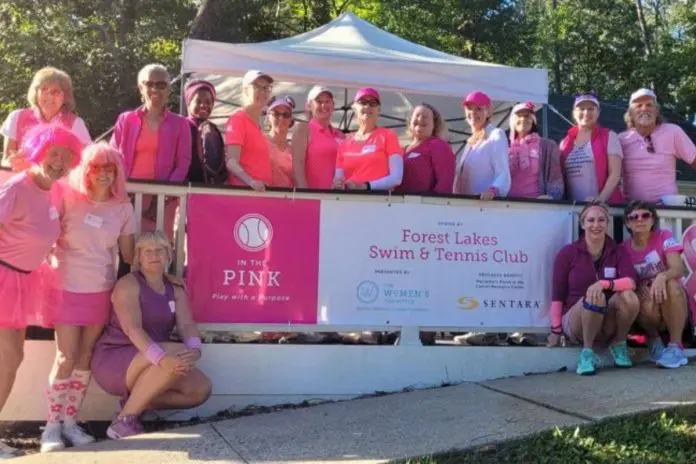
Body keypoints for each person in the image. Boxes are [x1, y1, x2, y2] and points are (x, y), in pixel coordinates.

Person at [39, 143, 135, 453]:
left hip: (101, 289)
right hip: (66, 287)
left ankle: (70, 423)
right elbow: (45, 236)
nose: (104, 174)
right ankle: (51, 427)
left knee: (84, 359)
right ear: (86, 171)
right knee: (65, 357)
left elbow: (129, 255)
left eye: (110, 168)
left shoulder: (123, 207)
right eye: (97, 168)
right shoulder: (68, 198)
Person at [0, 125, 82, 459]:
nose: (59, 161)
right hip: (4, 280)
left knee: (10, 360)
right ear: (38, 152)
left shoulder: (53, 191)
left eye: (66, 155)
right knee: (8, 360)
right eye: (53, 153)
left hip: (25, 281)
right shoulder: (18, 187)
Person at [91, 231, 211, 439]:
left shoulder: (176, 289)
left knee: (200, 389)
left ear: (168, 255)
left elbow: (187, 324)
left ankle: (133, 403)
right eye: (147, 251)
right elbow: (133, 329)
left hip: (157, 356)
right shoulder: (128, 285)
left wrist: (195, 350)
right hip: (117, 357)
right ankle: (125, 420)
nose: (154, 255)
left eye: (160, 250)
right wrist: (161, 359)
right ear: (138, 257)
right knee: (175, 352)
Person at [547, 202, 640, 375]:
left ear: (607, 223)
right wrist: (555, 330)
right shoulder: (568, 253)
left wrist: (605, 284)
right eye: (590, 220)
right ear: (582, 224)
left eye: (601, 220)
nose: (595, 225)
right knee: (595, 296)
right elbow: (557, 294)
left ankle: (619, 344)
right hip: (576, 321)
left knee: (629, 296)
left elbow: (631, 282)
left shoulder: (618, 251)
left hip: (607, 320)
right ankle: (587, 352)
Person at [110, 63, 191, 242]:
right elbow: (113, 156)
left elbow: (183, 162)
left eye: (161, 84)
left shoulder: (181, 124)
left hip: (163, 200)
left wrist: (164, 195)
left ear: (169, 89)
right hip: (127, 196)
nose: (155, 88)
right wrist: (122, 189)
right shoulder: (126, 120)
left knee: (158, 248)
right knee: (126, 248)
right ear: (141, 87)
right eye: (149, 84)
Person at [622, 200, 688, 368]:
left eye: (645, 215)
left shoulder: (664, 236)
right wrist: (638, 287)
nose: (640, 220)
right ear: (627, 223)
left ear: (653, 220)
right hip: (647, 302)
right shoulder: (623, 249)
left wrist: (661, 277)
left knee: (671, 284)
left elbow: (678, 269)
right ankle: (655, 342)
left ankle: (675, 348)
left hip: (672, 299)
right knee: (637, 297)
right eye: (634, 217)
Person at [1, 67, 91, 171]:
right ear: (36, 92)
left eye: (56, 92)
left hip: (58, 185)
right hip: (20, 183)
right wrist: (13, 161)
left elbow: (86, 163)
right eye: (44, 89)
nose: (49, 96)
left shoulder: (76, 124)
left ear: (65, 96)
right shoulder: (16, 117)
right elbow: (6, 160)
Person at [619, 88, 696, 203]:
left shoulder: (673, 132)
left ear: (657, 111)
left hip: (667, 211)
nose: (644, 109)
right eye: (639, 106)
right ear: (631, 113)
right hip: (634, 213)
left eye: (649, 105)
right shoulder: (621, 139)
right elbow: (610, 175)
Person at [332, 88, 403, 191]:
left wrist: (366, 186)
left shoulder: (389, 136)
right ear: (354, 108)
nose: (368, 106)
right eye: (363, 102)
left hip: (378, 201)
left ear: (379, 109)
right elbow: (338, 180)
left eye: (373, 103)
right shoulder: (344, 143)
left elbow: (396, 178)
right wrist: (337, 184)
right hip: (349, 201)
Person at [559, 93, 623, 204]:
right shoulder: (565, 142)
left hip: (606, 209)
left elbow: (615, 173)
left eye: (591, 109)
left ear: (598, 112)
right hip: (574, 209)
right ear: (574, 113)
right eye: (581, 109)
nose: (586, 113)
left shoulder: (609, 136)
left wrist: (600, 200)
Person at [453, 91, 510, 200]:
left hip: (485, 206)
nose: (473, 113)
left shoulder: (496, 134)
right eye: (469, 109)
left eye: (478, 109)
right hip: (466, 206)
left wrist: (493, 190)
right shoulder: (470, 142)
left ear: (488, 112)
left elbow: (503, 173)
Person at [224, 70, 274, 191]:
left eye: (266, 88)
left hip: (261, 194)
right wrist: (251, 182)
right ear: (246, 90)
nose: (263, 92)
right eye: (257, 87)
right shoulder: (238, 119)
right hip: (245, 194)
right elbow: (231, 162)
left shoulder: (257, 125)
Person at [507, 101, 564, 200]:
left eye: (527, 116)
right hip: (505, 205)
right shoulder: (505, 147)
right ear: (512, 121)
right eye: (518, 116)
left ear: (533, 120)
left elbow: (556, 178)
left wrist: (551, 198)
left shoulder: (548, 146)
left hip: (536, 206)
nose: (523, 119)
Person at [291, 86, 344, 189]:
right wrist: (304, 194)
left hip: (340, 198)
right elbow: (297, 164)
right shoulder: (303, 129)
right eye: (319, 101)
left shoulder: (340, 135)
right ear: (309, 106)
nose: (324, 105)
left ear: (333, 105)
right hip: (315, 199)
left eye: (327, 101)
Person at [397, 103, 455, 194]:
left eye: (425, 117)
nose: (420, 119)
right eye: (417, 115)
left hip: (424, 205)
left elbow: (445, 182)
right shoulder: (402, 150)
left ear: (434, 125)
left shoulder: (438, 145)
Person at [184, 79, 227, 184]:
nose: (203, 105)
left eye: (208, 102)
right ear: (189, 103)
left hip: (210, 190)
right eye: (198, 101)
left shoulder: (213, 130)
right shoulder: (182, 127)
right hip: (185, 189)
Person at [266, 95, 296, 188]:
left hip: (286, 198)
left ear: (291, 119)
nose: (281, 118)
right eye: (276, 114)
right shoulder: (260, 141)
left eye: (286, 115)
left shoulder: (293, 150)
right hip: (263, 196)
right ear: (268, 117)